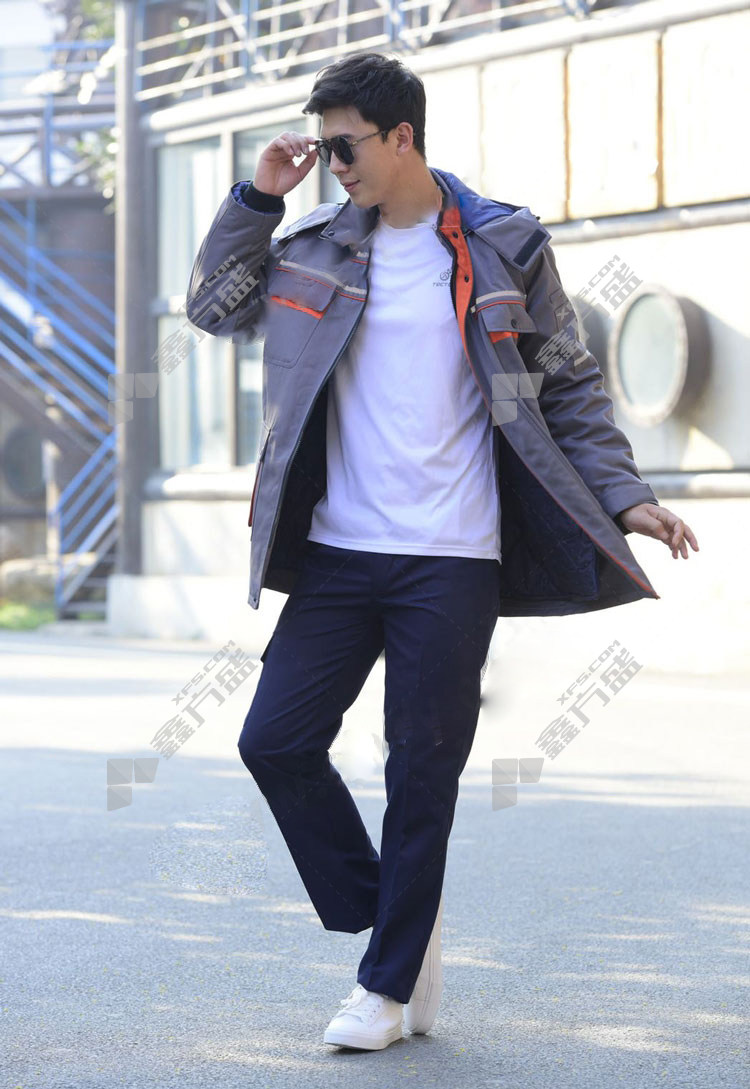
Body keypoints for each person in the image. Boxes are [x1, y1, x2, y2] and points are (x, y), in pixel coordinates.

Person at [185, 50, 699, 1052]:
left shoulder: (506, 243)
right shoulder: (313, 246)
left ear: (403, 137)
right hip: (339, 550)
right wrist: (258, 198)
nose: (334, 165)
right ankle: (403, 924)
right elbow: (212, 308)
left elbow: (568, 383)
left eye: (345, 147)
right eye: (324, 149)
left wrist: (626, 496)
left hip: (453, 556)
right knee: (274, 739)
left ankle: (384, 990)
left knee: (422, 772)